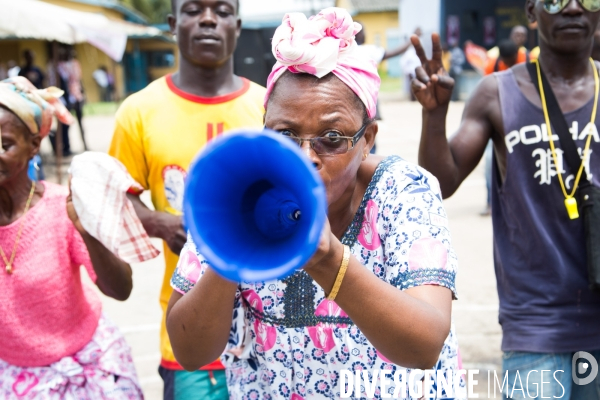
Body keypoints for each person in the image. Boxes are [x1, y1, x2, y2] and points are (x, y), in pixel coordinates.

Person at [166, 8, 462, 399]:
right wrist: (232, 248)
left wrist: (327, 258)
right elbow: (190, 351)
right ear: (264, 129)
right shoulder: (235, 190)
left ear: (368, 138)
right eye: (286, 135)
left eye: (332, 137)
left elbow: (425, 345)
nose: (307, 156)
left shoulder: (402, 190)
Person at [411, 0, 600, 397]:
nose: (572, 9)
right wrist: (434, 116)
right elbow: (440, 182)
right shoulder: (496, 93)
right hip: (534, 324)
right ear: (531, 12)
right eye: (554, 1)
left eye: (587, 0)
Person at [108, 0, 265, 398]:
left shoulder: (271, 107)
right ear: (173, 24)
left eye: (222, 11)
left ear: (238, 26)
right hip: (188, 338)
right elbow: (113, 196)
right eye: (195, 9)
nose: (209, 19)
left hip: (273, 333)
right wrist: (159, 222)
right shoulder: (138, 112)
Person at [0, 77, 143, 398]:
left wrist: (86, 231)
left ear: (34, 145)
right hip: (16, 382)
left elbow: (120, 289)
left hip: (90, 371)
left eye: (4, 143)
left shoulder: (59, 208)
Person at [58, 49, 86, 151]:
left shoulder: (75, 64)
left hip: (77, 95)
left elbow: (79, 80)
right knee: (66, 124)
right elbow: (63, 83)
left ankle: (85, 144)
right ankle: (66, 147)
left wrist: (83, 93)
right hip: (67, 97)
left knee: (80, 122)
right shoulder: (60, 66)